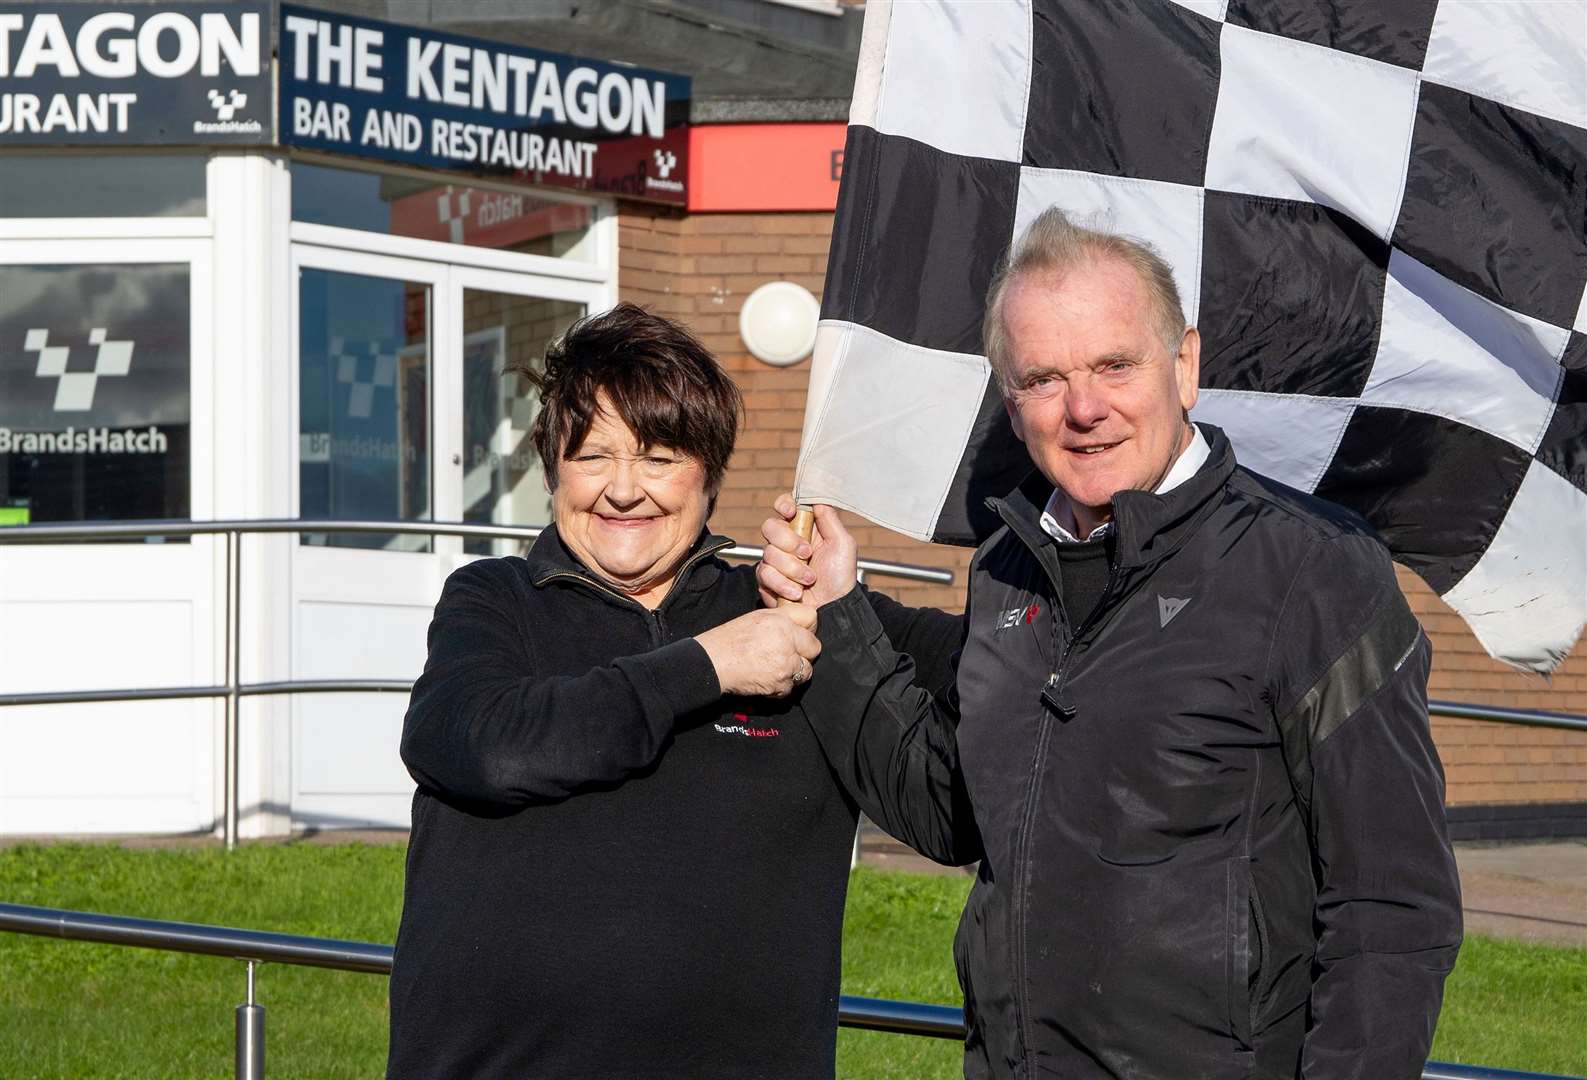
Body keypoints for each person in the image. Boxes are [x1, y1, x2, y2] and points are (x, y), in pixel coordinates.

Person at [759, 208, 1463, 1079]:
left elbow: (1392, 909)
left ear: (1185, 365)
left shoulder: (1312, 571)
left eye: (1113, 365)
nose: (1083, 408)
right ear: (1010, 405)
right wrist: (835, 612)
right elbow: (954, 812)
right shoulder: (1007, 570)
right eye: (1043, 379)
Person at [386, 303, 959, 1079]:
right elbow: (474, 744)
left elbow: (1005, 670)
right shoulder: (496, 600)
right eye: (592, 456)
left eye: (659, 459)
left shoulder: (791, 609)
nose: (624, 490)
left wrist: (843, 609)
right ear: (552, 468)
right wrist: (708, 666)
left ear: (709, 474)